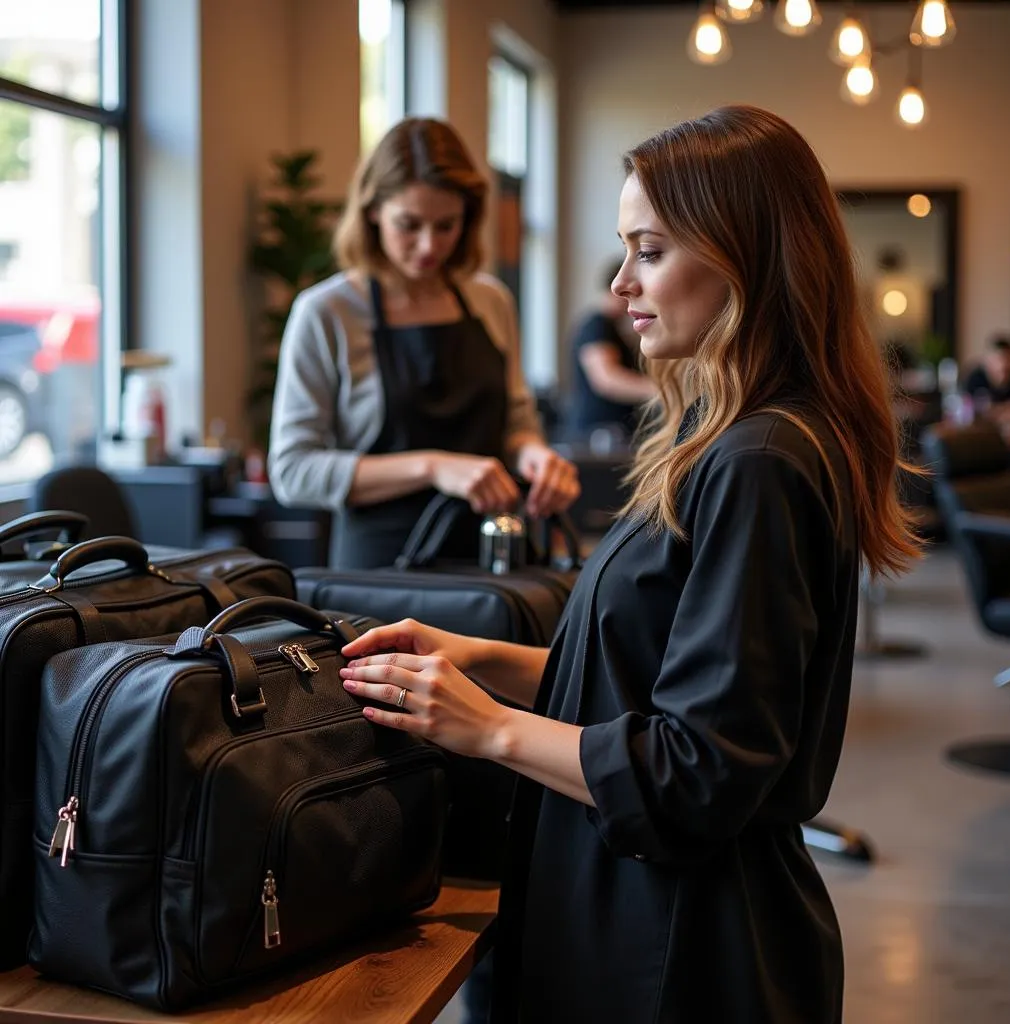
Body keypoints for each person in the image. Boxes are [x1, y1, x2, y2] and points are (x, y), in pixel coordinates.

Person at [337, 106, 920, 1022]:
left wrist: (488, 727)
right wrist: (487, 661)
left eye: (648, 251)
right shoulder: (716, 436)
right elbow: (666, 682)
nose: (618, 285)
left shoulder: (759, 463)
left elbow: (697, 770)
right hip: (634, 910)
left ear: (744, 256)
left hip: (684, 949)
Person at [268, 117, 578, 569]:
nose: (429, 246)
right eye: (409, 225)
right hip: (379, 575)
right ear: (373, 211)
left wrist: (535, 455)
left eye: (446, 225)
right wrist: (434, 467)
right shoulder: (326, 313)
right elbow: (293, 472)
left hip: (493, 563)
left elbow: (515, 422)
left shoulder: (489, 302)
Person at [568, 258, 656, 441]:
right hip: (599, 432)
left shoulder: (613, 327)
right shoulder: (597, 325)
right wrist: (660, 390)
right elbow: (607, 379)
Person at [962, 334, 1010, 406]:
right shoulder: (975, 379)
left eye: (1008, 359)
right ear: (987, 360)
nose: (1003, 365)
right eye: (999, 359)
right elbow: (971, 409)